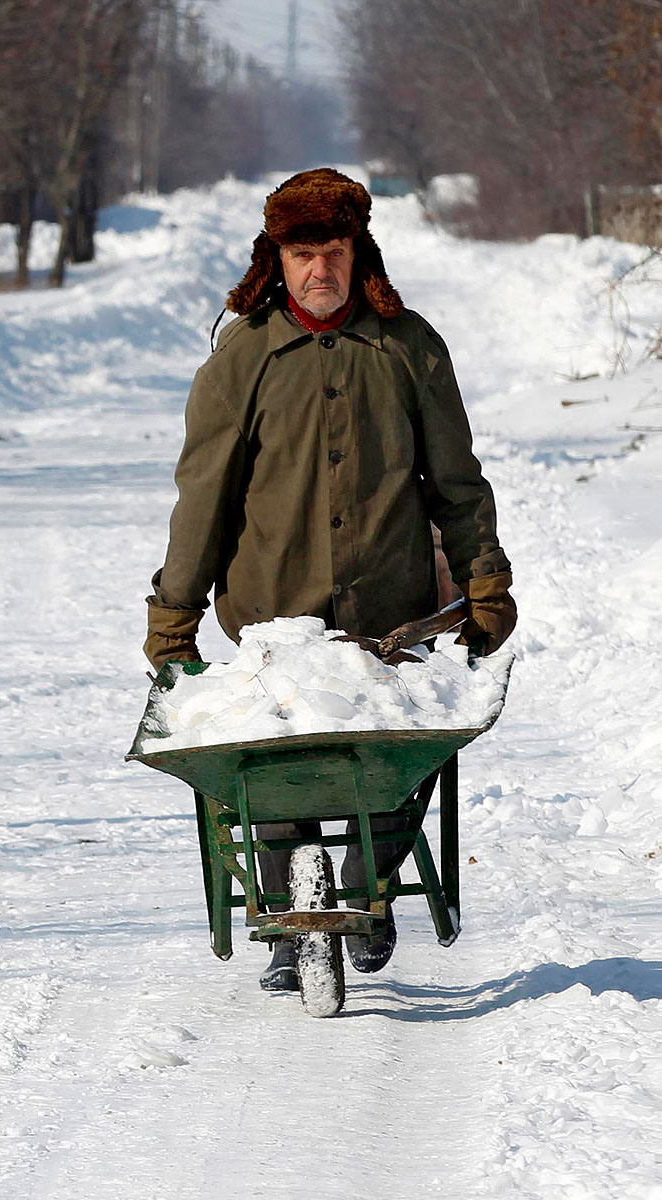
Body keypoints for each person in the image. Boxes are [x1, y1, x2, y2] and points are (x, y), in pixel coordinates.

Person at [144, 168, 516, 991]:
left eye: (334, 251)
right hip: (273, 623)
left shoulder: (410, 348)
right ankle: (287, 929)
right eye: (303, 253)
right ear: (275, 258)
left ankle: (371, 892)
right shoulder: (242, 358)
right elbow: (203, 495)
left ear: (359, 252)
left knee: (395, 763)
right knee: (271, 776)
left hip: (390, 618)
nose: (320, 270)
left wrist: (485, 583)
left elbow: (456, 483)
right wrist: (175, 615)